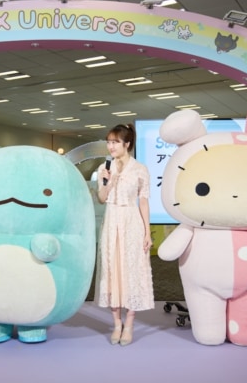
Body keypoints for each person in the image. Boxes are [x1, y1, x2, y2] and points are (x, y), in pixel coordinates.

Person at [94, 123, 154, 346]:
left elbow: (144, 202)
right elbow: (101, 198)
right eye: (108, 142)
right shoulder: (104, 167)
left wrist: (147, 233)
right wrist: (108, 182)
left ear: (127, 144)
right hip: (111, 221)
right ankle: (116, 324)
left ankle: (129, 324)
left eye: (115, 142)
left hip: (131, 222)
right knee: (112, 270)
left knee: (131, 270)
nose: (110, 146)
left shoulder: (140, 169)